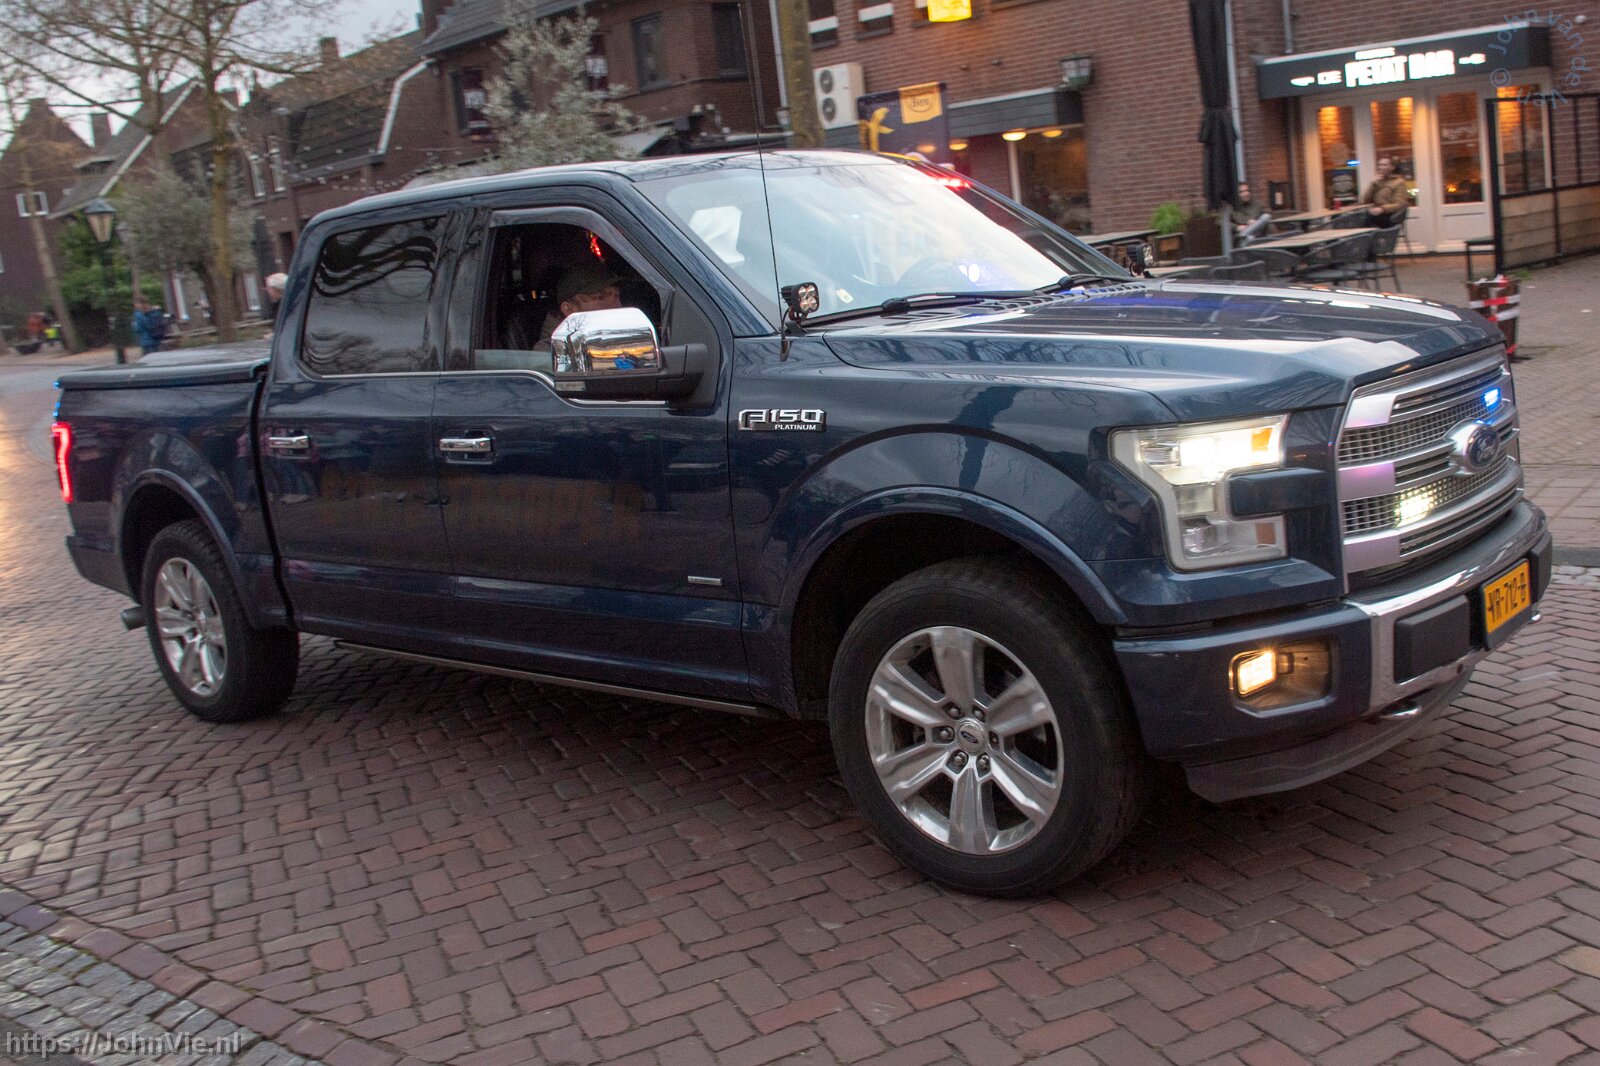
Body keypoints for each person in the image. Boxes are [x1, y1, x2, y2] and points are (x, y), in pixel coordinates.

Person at [1362, 157, 1410, 226]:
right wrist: (1373, 184)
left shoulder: (1399, 182)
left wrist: (1382, 209)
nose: (1381, 167)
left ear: (1392, 167)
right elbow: (1365, 200)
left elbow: (1400, 204)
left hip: (1390, 214)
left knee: (1370, 218)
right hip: (1376, 211)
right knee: (1358, 217)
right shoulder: (1377, 182)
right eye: (1379, 165)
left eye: (1384, 165)